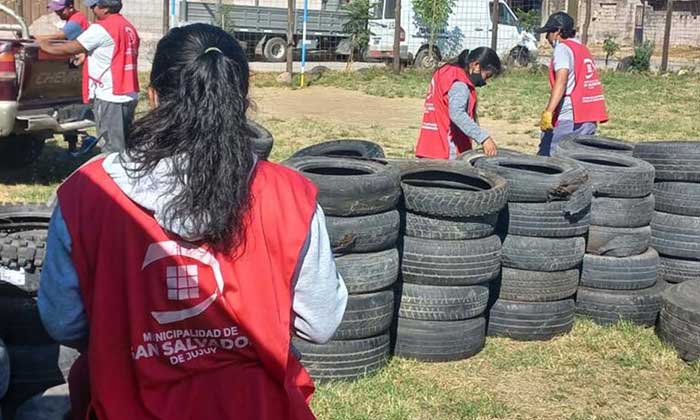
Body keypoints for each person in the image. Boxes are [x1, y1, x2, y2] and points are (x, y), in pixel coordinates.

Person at [37, 23, 348, 420]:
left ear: (152, 97)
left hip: (124, 402)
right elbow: (319, 323)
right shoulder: (291, 196)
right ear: (241, 99)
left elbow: (63, 322)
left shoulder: (86, 193)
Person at [38, 0, 140, 154]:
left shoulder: (102, 28)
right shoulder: (127, 26)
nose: (92, 9)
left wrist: (44, 45)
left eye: (94, 6)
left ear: (105, 9)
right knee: (125, 143)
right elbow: (112, 51)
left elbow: (71, 48)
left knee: (112, 148)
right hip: (127, 93)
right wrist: (87, 54)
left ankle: (111, 175)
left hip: (110, 95)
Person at [536, 12, 608, 156]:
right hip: (589, 115)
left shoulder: (562, 49)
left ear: (557, 32)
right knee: (580, 159)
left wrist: (549, 112)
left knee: (550, 158)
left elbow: (561, 81)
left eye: (548, 32)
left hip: (569, 116)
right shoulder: (582, 48)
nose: (547, 37)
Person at [415, 47, 503, 159]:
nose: (485, 82)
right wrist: (484, 138)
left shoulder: (445, 72)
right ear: (476, 66)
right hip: (446, 153)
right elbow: (457, 114)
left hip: (429, 147)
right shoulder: (460, 84)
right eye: (487, 76)